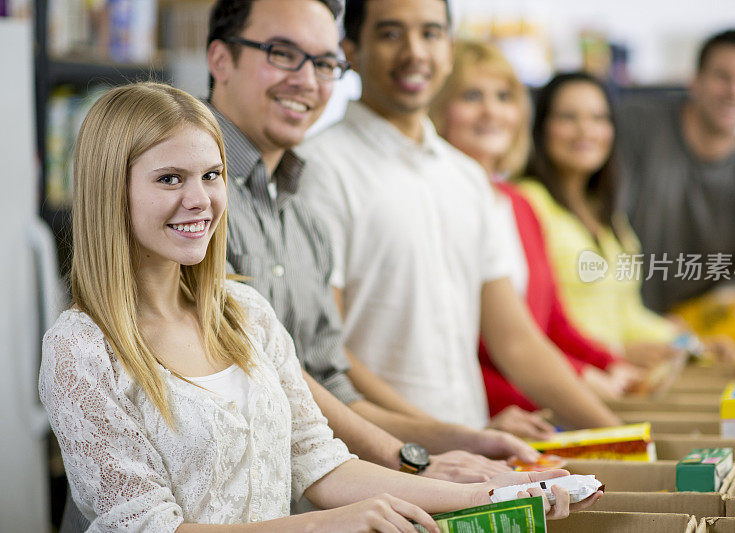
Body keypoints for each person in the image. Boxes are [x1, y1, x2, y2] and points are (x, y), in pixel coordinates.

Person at [40, 82, 597, 532]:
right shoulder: (83, 348)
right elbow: (143, 528)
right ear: (112, 190)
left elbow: (321, 463)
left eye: (212, 176)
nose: (200, 200)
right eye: (170, 179)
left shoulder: (244, 312)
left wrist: (488, 493)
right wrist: (321, 527)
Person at [204, 0, 547, 482]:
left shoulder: (294, 202)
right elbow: (261, 375)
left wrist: (455, 441)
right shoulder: (186, 184)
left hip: (302, 496)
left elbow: (326, 382)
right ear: (220, 59)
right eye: (282, 53)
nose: (306, 80)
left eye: (323, 64)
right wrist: (414, 456)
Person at [297, 0, 621, 432]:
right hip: (377, 459)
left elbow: (517, 342)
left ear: (449, 50)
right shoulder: (318, 169)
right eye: (391, 34)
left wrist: (620, 436)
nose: (415, 51)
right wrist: (450, 440)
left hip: (472, 465)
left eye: (430, 34)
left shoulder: (466, 178)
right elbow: (325, 352)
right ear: (350, 51)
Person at [429, 40, 642, 410]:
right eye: (472, 95)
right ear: (439, 108)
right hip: (489, 413)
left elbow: (552, 324)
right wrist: (573, 382)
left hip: (536, 404)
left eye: (503, 96)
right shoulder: (434, 203)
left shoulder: (518, 204)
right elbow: (465, 351)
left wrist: (610, 364)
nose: (491, 111)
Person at [617, 28, 735, 313]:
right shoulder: (637, 128)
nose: (734, 92)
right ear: (696, 81)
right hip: (605, 321)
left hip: (685, 337)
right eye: (723, 77)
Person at [516, 71, 681, 367]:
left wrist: (685, 340)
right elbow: (532, 326)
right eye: (568, 117)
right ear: (541, 128)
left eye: (598, 118)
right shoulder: (527, 202)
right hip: (564, 385)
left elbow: (626, 314)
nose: (585, 131)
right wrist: (614, 353)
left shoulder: (607, 215)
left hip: (615, 380)